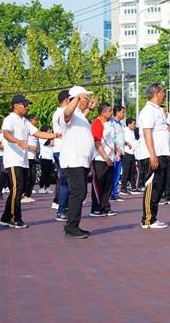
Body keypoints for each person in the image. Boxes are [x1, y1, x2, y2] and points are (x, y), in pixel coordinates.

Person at [0, 95, 58, 229]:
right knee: (17, 189)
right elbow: (6, 134)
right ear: (15, 105)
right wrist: (18, 141)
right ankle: (15, 218)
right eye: (24, 104)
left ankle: (5, 217)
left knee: (18, 190)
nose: (26, 107)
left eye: (27, 105)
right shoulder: (10, 119)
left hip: (23, 160)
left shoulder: (25, 121)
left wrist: (55, 135)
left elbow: (38, 133)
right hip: (13, 160)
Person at [58, 86, 95, 239]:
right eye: (86, 96)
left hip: (82, 161)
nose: (88, 99)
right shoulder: (66, 113)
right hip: (73, 161)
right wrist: (77, 98)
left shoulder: (80, 115)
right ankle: (71, 227)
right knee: (78, 193)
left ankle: (73, 225)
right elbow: (67, 113)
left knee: (80, 193)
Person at [137, 83, 170, 229]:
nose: (164, 95)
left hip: (161, 154)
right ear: (157, 93)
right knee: (152, 186)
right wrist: (153, 155)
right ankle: (147, 219)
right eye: (163, 92)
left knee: (160, 186)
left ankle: (153, 217)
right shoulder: (148, 111)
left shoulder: (158, 110)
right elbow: (147, 133)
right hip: (152, 155)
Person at [90, 102, 117, 217]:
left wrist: (117, 151)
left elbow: (112, 140)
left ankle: (105, 206)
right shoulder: (97, 123)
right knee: (98, 184)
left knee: (108, 184)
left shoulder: (110, 123)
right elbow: (97, 142)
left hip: (111, 158)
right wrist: (105, 157)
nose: (112, 113)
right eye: (110, 111)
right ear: (103, 113)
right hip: (100, 159)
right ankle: (95, 208)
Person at [51, 90, 70, 220]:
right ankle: (62, 209)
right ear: (67, 100)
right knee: (66, 181)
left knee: (66, 181)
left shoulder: (61, 113)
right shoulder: (60, 113)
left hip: (62, 150)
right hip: (61, 150)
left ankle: (64, 208)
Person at [22, 115, 40, 203]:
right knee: (27, 177)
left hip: (33, 157)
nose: (37, 121)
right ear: (31, 120)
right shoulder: (26, 129)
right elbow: (21, 142)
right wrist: (30, 147)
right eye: (35, 119)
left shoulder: (35, 131)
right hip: (27, 157)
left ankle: (28, 195)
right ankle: (23, 195)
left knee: (33, 177)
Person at [110, 105, 126, 202]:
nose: (124, 114)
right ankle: (113, 193)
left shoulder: (120, 124)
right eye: (123, 112)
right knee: (115, 173)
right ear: (117, 112)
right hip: (115, 152)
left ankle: (115, 192)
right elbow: (113, 138)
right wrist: (117, 151)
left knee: (117, 173)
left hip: (121, 151)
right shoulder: (112, 123)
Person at [120, 118, 138, 195]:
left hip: (132, 153)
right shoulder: (124, 130)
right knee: (126, 171)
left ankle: (134, 187)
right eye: (134, 123)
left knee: (133, 171)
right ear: (129, 124)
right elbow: (120, 139)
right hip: (126, 153)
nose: (135, 125)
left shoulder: (133, 131)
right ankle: (123, 188)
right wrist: (127, 143)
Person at [38, 128, 54, 194]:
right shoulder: (41, 137)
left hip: (50, 158)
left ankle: (47, 187)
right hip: (44, 157)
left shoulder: (50, 137)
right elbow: (50, 143)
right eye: (48, 130)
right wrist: (52, 138)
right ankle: (41, 187)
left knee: (49, 174)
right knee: (44, 173)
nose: (50, 131)